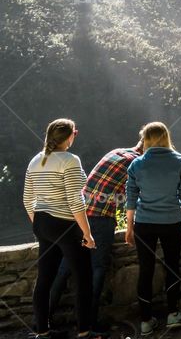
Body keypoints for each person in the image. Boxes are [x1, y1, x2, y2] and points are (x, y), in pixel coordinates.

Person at [23, 118, 106, 339]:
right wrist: (87, 233)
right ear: (69, 136)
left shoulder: (35, 161)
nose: (75, 136)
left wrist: (41, 222)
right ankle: (84, 331)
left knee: (44, 278)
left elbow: (26, 199)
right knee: (83, 277)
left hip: (41, 223)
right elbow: (75, 201)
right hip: (65, 224)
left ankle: (42, 331)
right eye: (74, 133)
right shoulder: (69, 160)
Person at [50, 139, 144, 330]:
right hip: (100, 219)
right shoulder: (138, 163)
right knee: (98, 268)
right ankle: (89, 323)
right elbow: (134, 198)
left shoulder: (116, 151)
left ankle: (43, 320)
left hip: (78, 215)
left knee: (64, 268)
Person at [124, 123, 181, 336]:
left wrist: (129, 227)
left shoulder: (136, 164)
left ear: (145, 139)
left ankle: (145, 321)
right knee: (172, 266)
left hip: (144, 224)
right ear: (166, 137)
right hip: (171, 222)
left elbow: (131, 198)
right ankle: (173, 314)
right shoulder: (180, 161)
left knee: (146, 270)